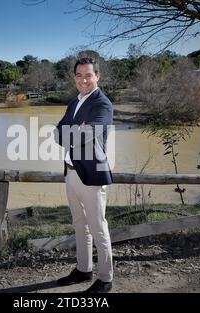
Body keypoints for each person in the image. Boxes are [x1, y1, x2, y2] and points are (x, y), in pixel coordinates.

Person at [54, 57, 114, 293]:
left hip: (92, 174)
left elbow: (86, 136)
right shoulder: (73, 103)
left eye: (88, 75)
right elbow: (57, 134)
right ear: (74, 78)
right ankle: (83, 269)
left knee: (98, 226)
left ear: (97, 76)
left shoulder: (103, 104)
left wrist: (74, 132)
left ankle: (106, 278)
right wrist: (73, 131)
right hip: (71, 173)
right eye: (79, 75)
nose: (83, 80)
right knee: (79, 223)